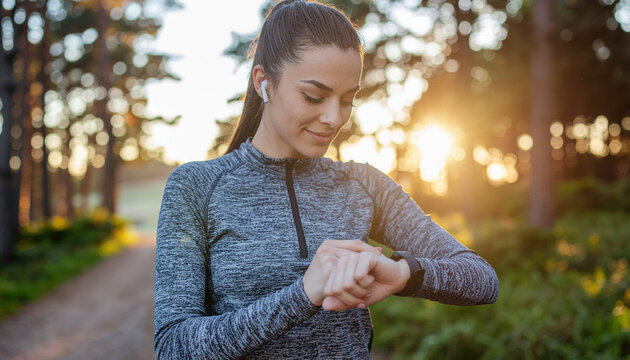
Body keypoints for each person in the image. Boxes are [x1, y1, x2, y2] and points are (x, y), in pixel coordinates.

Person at [153, 1, 499, 359]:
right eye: (314, 97)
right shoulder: (196, 187)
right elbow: (173, 345)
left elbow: (481, 280)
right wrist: (302, 294)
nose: (334, 118)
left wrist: (404, 273)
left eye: (347, 99)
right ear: (264, 83)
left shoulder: (364, 185)